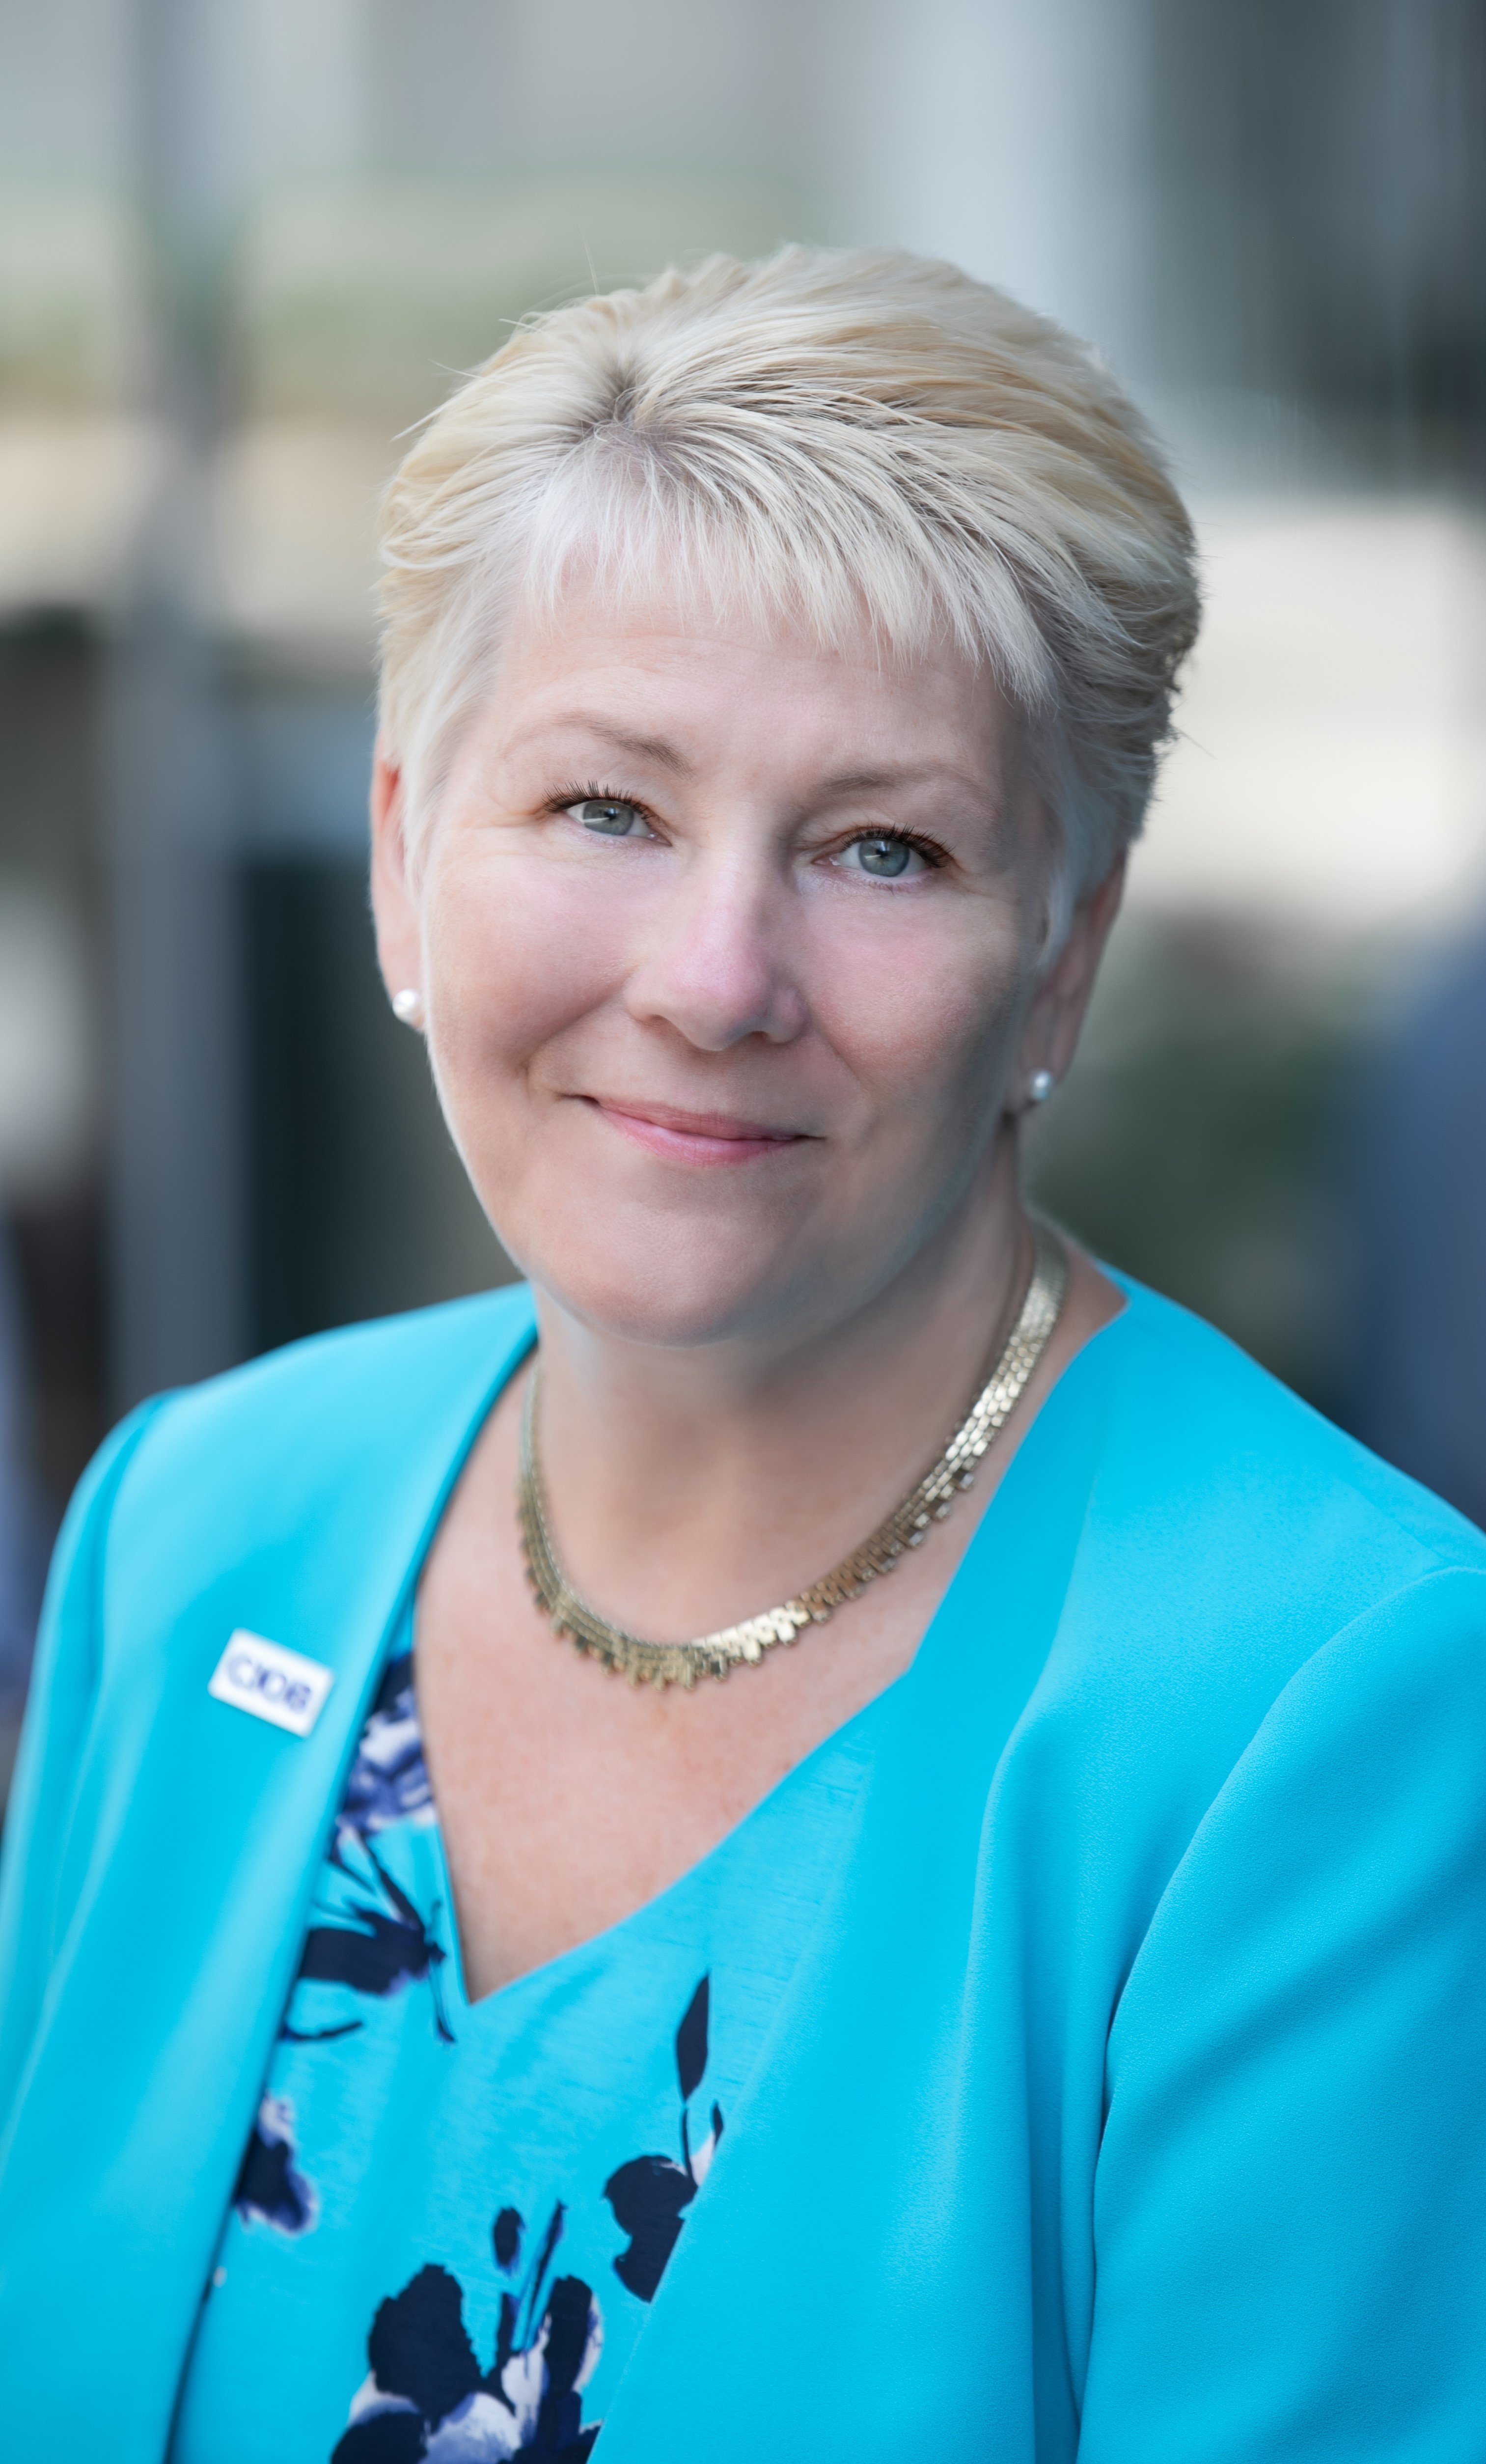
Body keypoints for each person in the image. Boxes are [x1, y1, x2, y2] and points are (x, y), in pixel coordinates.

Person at [1, 247, 1483, 2464]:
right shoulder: (197, 1522)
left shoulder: (1340, 1702)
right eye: (604, 808)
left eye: (883, 847)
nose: (715, 975)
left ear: (1059, 965)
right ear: (410, 858)